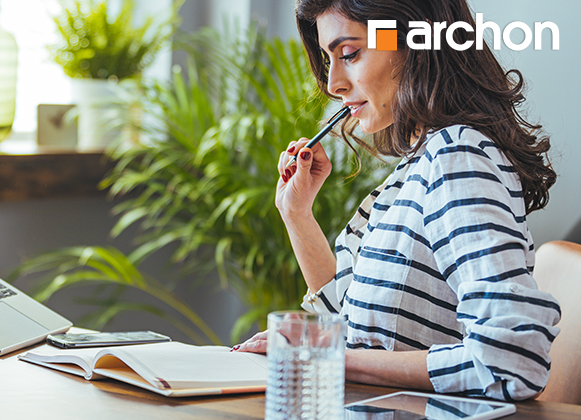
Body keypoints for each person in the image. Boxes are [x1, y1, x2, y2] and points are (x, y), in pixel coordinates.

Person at [234, 0, 561, 401]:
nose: (333, 83)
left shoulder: (456, 156)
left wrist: (325, 353)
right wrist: (297, 214)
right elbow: (358, 332)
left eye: (350, 54)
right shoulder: (416, 167)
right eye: (328, 59)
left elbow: (513, 360)